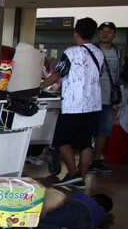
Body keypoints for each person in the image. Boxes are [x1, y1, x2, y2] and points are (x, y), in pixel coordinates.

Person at [41, 17, 103, 189]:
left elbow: (58, 74)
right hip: (94, 105)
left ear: (76, 33)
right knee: (85, 143)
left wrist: (39, 87)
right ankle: (80, 179)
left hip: (74, 105)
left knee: (60, 139)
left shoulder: (71, 52)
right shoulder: (99, 53)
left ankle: (73, 173)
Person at [90, 22, 123, 174]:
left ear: (114, 34)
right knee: (89, 129)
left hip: (109, 98)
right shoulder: (93, 49)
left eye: (109, 31)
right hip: (92, 98)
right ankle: (86, 161)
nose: (105, 34)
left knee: (104, 130)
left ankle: (96, 160)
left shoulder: (117, 51)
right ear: (98, 33)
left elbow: (119, 74)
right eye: (102, 31)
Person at [36, 193, 113, 229]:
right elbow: (102, 220)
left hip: (77, 208)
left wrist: (55, 211)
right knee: (54, 225)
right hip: (85, 226)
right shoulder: (102, 215)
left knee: (37, 225)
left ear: (94, 198)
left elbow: (67, 204)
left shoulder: (84, 197)